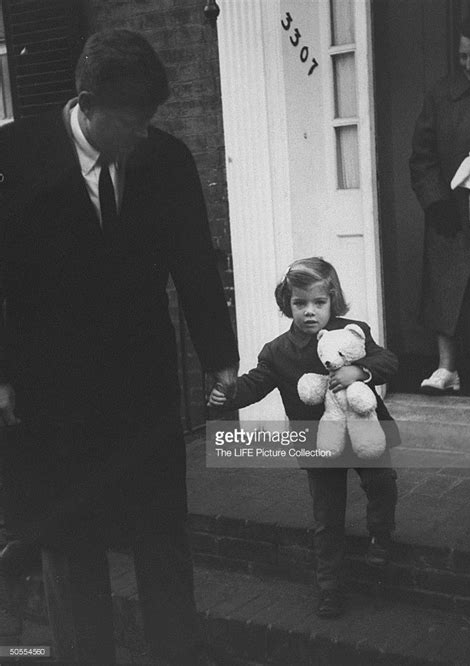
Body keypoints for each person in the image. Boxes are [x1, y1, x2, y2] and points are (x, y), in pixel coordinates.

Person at [0, 29, 238, 665]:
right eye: (133, 118)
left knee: (162, 539)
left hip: (143, 389)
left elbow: (194, 265)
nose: (144, 132)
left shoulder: (167, 159)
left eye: (151, 117)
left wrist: (223, 362)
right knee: (71, 545)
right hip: (54, 394)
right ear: (87, 102)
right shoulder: (15, 154)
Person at [209, 257, 399, 618]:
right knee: (327, 517)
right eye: (300, 303)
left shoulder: (353, 332)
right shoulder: (278, 351)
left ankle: (381, 535)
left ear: (333, 300)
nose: (310, 312)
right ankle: (330, 588)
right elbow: (255, 383)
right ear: (288, 303)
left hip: (365, 430)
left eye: (319, 303)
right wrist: (229, 395)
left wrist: (360, 370)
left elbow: (388, 360)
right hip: (319, 442)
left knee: (382, 481)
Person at [410, 17, 470, 394]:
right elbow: (421, 157)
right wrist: (437, 203)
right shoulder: (441, 94)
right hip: (453, 209)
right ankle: (447, 368)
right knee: (445, 287)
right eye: (464, 55)